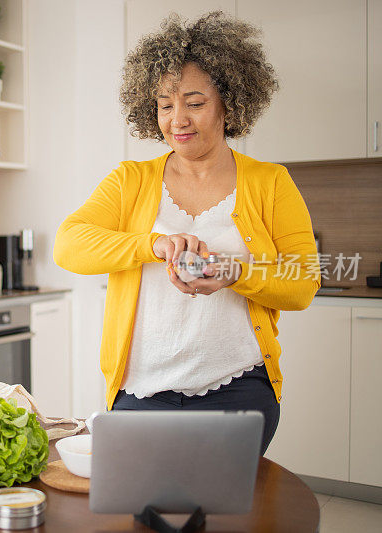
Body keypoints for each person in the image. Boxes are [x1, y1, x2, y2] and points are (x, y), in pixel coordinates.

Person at [53, 12, 320, 455]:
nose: (178, 119)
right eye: (165, 104)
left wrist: (235, 273)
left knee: (223, 519)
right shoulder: (130, 180)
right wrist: (152, 244)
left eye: (194, 103)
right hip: (140, 396)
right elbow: (68, 244)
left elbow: (303, 283)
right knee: (148, 519)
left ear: (228, 104)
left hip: (239, 393)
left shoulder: (271, 183)